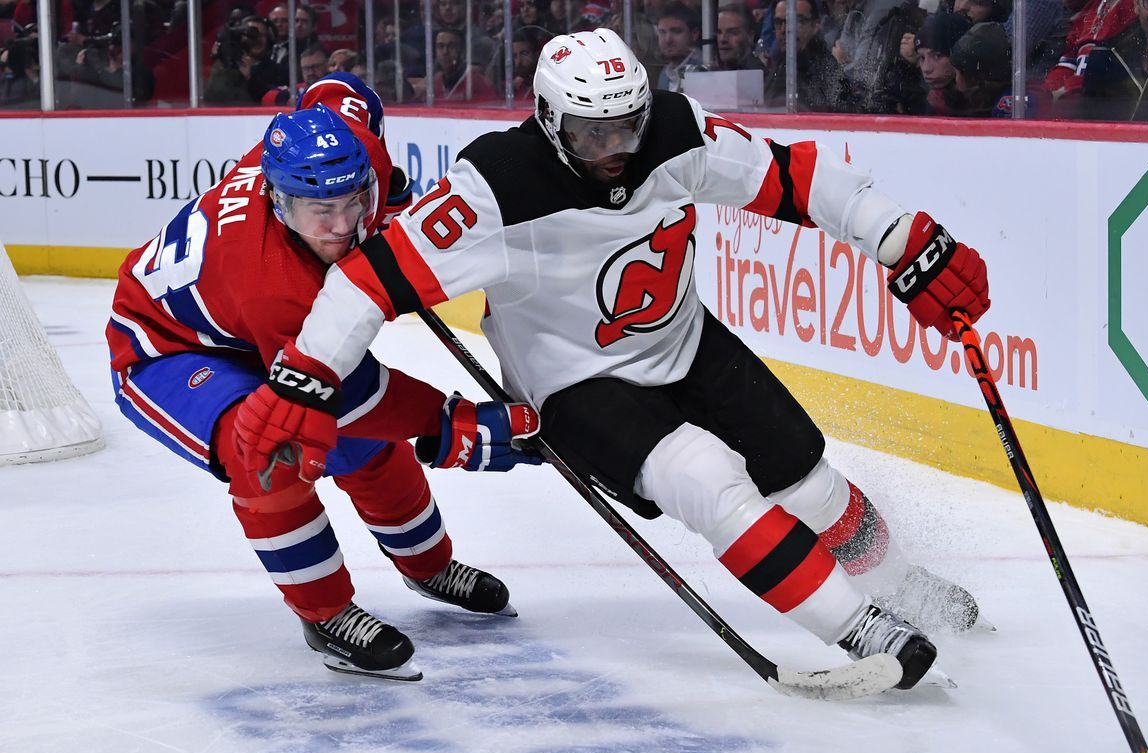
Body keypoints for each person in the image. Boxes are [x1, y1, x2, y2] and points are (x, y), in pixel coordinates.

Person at [240, 30, 992, 692]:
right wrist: (304, 381)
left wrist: (903, 238)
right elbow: (367, 281)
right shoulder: (493, 187)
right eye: (591, 135)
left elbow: (795, 178)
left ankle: (900, 586)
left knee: (811, 485)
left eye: (626, 127)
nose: (616, 152)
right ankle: (862, 629)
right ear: (547, 120)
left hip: (686, 343)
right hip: (575, 384)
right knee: (704, 478)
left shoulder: (675, 129)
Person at [105, 73, 540, 681]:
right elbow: (352, 397)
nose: (341, 225)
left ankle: (428, 566)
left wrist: (384, 199)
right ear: (280, 202)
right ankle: (326, 614)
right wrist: (450, 422)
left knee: (368, 449)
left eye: (352, 202)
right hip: (167, 350)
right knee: (270, 448)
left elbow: (337, 91)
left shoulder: (346, 153)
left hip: (249, 335)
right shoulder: (273, 286)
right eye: (320, 212)